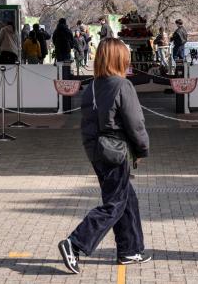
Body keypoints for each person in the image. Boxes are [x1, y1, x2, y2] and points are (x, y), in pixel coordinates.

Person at [58, 38, 150, 274]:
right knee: (115, 203)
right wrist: (141, 150)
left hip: (97, 150)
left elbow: (88, 124)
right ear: (119, 59)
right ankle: (75, 242)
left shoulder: (91, 87)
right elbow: (135, 123)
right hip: (117, 150)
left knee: (127, 199)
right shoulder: (122, 86)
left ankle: (130, 249)